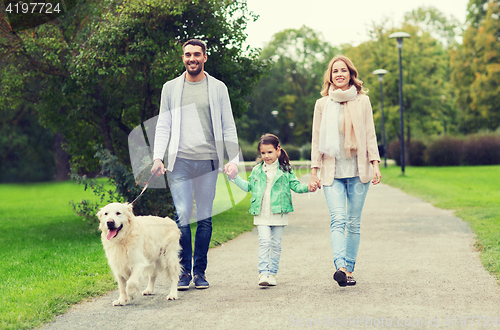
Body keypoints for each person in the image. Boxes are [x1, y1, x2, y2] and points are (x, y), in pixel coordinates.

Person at [151, 39, 240, 290]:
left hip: (208, 162)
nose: (192, 59)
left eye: (197, 55)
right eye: (187, 54)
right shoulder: (170, 88)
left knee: (204, 219)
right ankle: (183, 272)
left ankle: (200, 272)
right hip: (179, 163)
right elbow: (163, 125)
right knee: (181, 218)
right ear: (183, 58)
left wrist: (232, 160)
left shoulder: (218, 88)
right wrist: (158, 157)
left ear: (205, 57)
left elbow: (228, 125)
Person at [309, 55, 381, 287]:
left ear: (351, 74)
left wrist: (375, 163)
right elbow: (316, 139)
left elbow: (370, 133)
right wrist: (313, 170)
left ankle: (349, 270)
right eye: (335, 71)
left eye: (343, 70)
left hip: (359, 172)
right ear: (330, 76)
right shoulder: (322, 104)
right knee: (337, 220)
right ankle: (340, 266)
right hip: (332, 173)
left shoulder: (363, 101)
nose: (339, 74)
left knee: (354, 223)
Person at [229, 134, 317, 286]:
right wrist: (235, 177)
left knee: (276, 244)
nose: (266, 156)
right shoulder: (257, 170)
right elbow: (248, 187)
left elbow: (296, 186)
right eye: (263, 153)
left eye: (269, 152)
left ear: (278, 150)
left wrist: (309, 188)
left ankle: (272, 274)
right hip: (261, 211)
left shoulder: (285, 170)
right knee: (264, 242)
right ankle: (263, 273)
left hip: (279, 211)